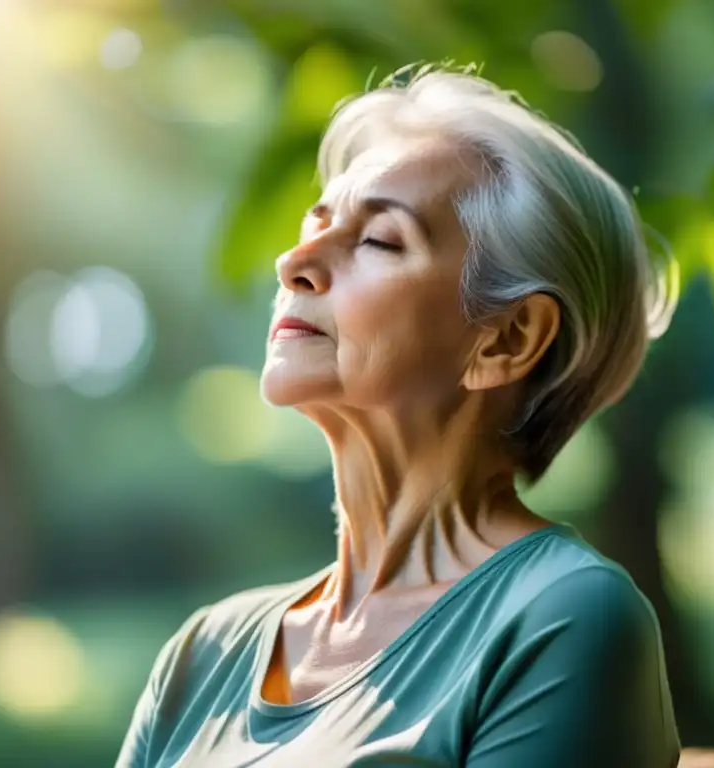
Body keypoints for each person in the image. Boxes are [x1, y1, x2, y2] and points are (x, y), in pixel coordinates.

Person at [116, 63, 682, 767]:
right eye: (315, 224)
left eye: (379, 240)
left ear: (507, 339)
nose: (294, 261)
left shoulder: (564, 617)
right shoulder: (203, 656)